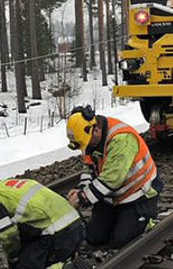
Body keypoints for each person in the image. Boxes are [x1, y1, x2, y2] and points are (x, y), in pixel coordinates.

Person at [65, 105, 163, 249]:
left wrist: (81, 199)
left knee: (120, 241)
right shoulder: (88, 139)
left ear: (96, 129)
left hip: (138, 195)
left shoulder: (121, 139)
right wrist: (81, 188)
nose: (87, 148)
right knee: (95, 237)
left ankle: (146, 221)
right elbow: (88, 168)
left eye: (89, 143)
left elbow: (111, 181)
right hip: (111, 196)